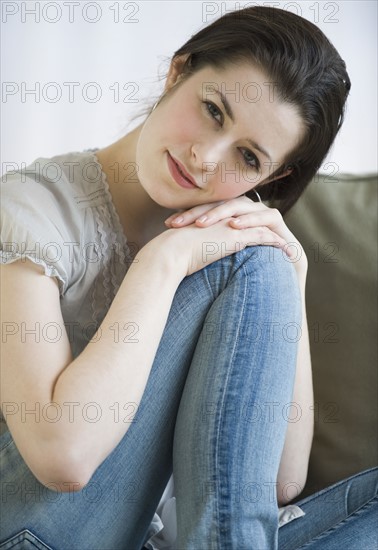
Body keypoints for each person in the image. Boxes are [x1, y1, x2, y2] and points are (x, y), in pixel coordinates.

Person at [0, 5, 376, 550]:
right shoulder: (30, 208)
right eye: (213, 111)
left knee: (263, 257)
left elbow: (276, 484)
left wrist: (292, 278)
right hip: (30, 530)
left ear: (275, 176)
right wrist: (162, 262)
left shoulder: (237, 253)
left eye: (247, 157)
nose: (205, 158)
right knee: (254, 259)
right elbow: (64, 459)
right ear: (178, 71)